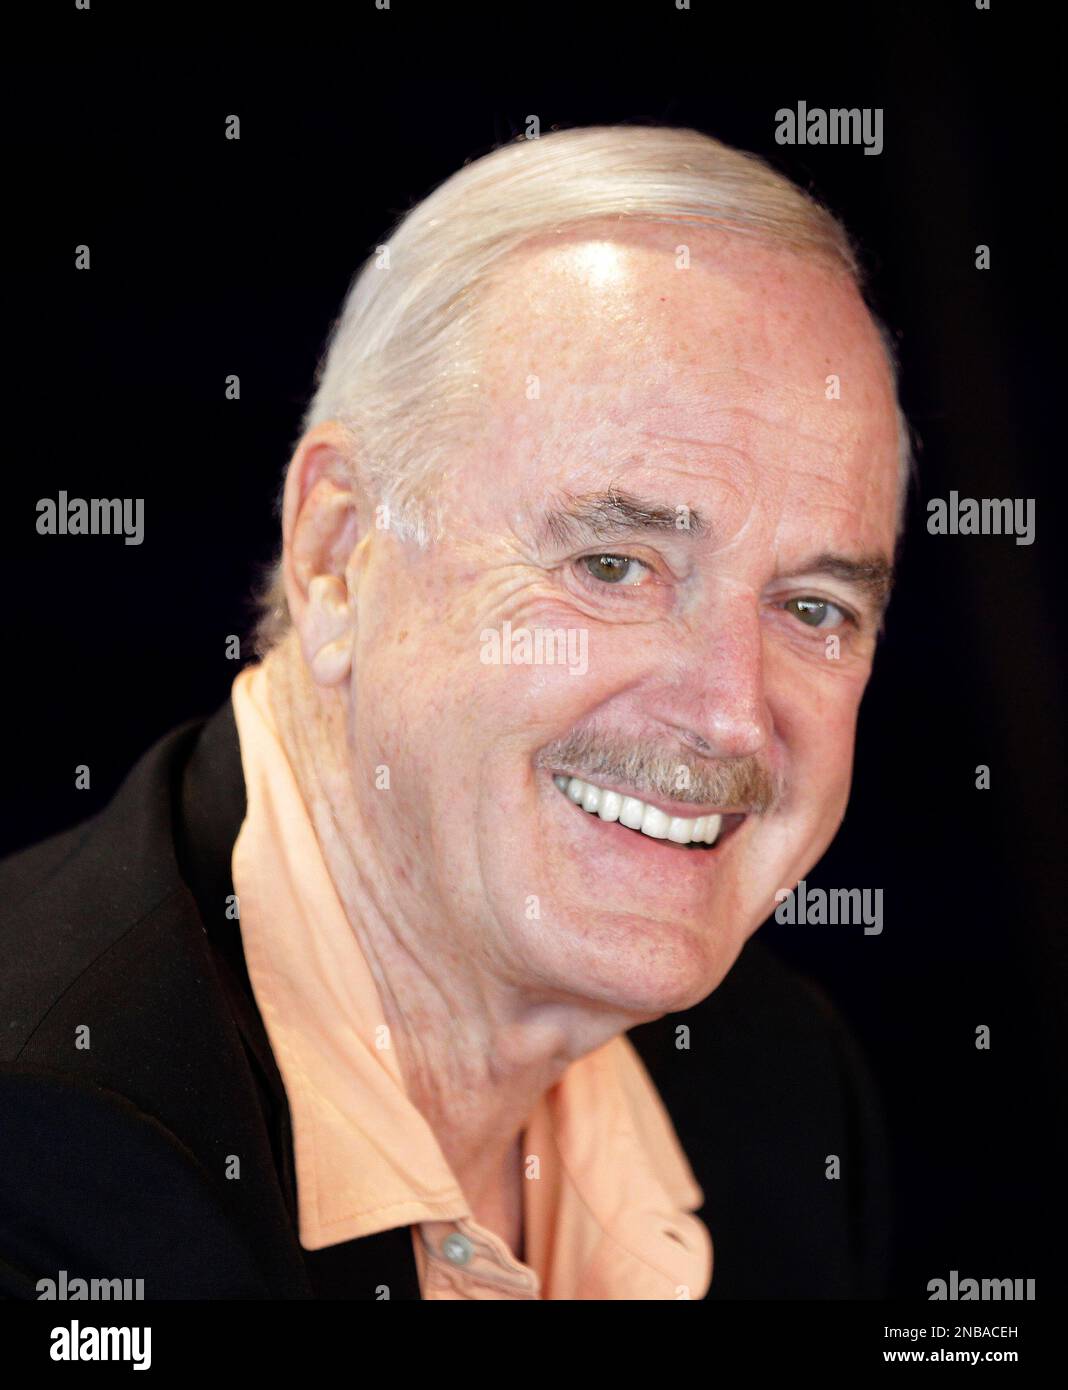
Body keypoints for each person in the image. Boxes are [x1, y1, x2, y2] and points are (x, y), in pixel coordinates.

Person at [0, 124, 905, 1300]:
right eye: (614, 565)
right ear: (336, 556)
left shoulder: (781, 1089)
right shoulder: (41, 1158)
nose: (733, 715)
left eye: (813, 606)